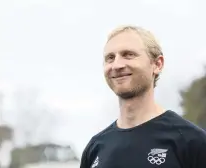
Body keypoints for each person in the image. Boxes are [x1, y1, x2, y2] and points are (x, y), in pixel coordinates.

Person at [79, 25, 206, 168]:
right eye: (110, 58)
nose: (117, 65)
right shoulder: (95, 147)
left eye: (128, 55)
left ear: (157, 64)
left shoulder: (192, 141)